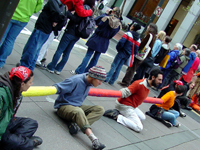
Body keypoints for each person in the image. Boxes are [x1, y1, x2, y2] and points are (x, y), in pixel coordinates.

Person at [53, 66, 106, 150]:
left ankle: (76, 125)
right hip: (63, 106)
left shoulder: (89, 81)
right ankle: (94, 140)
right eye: (100, 80)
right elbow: (57, 87)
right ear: (93, 77)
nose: (100, 83)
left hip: (76, 106)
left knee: (100, 109)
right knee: (79, 111)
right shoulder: (76, 80)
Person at [46, 0, 95, 75]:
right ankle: (59, 69)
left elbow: (76, 19)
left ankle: (51, 66)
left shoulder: (83, 8)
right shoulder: (90, 11)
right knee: (67, 52)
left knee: (60, 50)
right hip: (78, 34)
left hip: (70, 31)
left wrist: (68, 13)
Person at [0, 66, 42, 149]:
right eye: (30, 82)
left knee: (31, 123)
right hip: (1, 125)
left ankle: (16, 141)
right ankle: (25, 143)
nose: (31, 84)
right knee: (22, 145)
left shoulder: (17, 89)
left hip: (7, 121)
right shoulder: (2, 95)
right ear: (22, 84)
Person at [72, 7, 121, 74]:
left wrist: (105, 14)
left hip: (97, 37)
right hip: (105, 41)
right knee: (96, 57)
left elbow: (96, 21)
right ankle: (87, 72)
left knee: (88, 55)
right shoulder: (118, 24)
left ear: (112, 11)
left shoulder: (106, 18)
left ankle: (79, 71)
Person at [0, 0, 43, 68]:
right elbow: (37, 9)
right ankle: (1, 61)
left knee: (1, 35)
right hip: (23, 18)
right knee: (10, 40)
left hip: (11, 13)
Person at [117, 23, 158, 87]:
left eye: (148, 26)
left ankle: (125, 82)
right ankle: (126, 81)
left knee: (131, 68)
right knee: (133, 69)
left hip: (139, 55)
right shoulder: (153, 37)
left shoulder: (149, 35)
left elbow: (143, 44)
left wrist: (137, 49)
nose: (147, 27)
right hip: (143, 56)